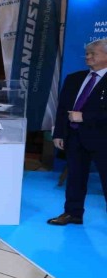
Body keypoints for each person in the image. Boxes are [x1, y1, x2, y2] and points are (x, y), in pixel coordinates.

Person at [47, 39, 107, 226]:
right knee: (75, 178)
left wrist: (85, 117)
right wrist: (59, 133)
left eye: (93, 54)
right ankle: (72, 213)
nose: (88, 57)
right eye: (87, 53)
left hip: (103, 140)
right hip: (75, 137)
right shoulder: (74, 78)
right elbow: (62, 108)